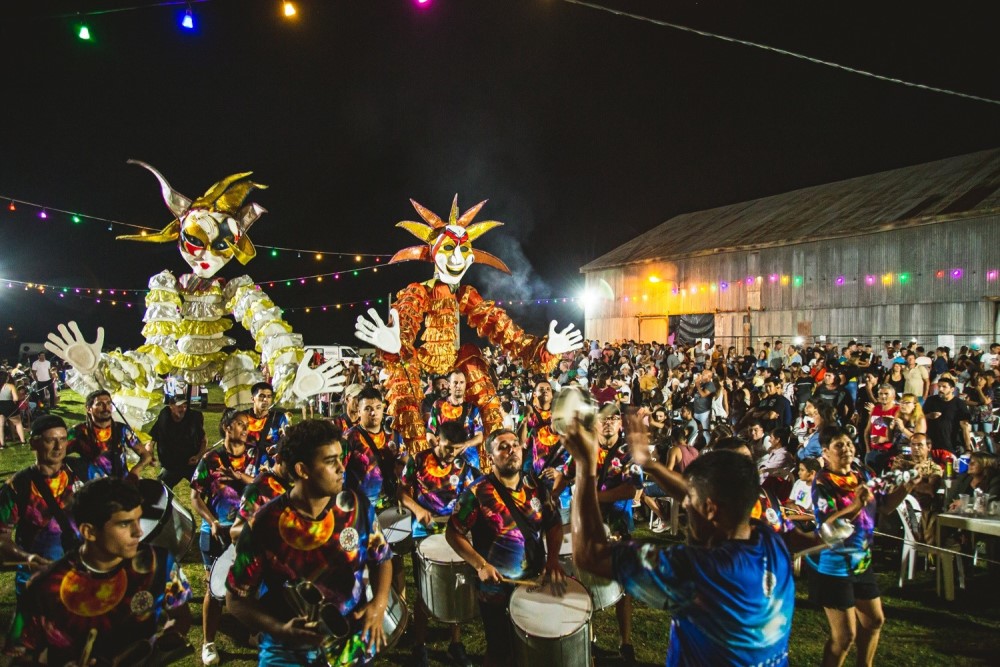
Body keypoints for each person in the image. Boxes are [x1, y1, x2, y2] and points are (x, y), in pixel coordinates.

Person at [564, 412, 795, 666]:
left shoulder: (699, 571)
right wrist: (650, 465)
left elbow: (588, 556)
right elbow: (700, 494)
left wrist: (585, 468)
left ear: (709, 509)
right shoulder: (771, 541)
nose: (684, 503)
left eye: (689, 501)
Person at [226, 419, 393, 666]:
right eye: (330, 461)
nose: (341, 468)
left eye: (340, 458)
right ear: (303, 470)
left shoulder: (356, 507)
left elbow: (382, 559)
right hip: (287, 652)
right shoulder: (265, 524)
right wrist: (280, 629)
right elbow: (236, 599)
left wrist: (378, 605)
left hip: (347, 646)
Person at [9, 477, 193, 665]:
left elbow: (181, 616)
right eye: (124, 523)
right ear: (89, 531)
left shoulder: (160, 563)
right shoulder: (42, 587)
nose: (138, 531)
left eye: (138, 519)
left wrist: (154, 648)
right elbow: (20, 655)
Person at [446, 429, 565, 667]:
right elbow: (453, 533)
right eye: (503, 446)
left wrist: (552, 559)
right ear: (490, 457)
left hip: (535, 583)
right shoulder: (477, 492)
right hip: (497, 589)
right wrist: (480, 565)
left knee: (535, 647)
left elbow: (553, 524)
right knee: (499, 651)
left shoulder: (536, 486)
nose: (512, 450)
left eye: (515, 444)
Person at [808, 425, 918, 667]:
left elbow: (885, 506)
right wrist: (855, 505)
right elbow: (827, 524)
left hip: (862, 561)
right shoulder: (823, 481)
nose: (846, 449)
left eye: (849, 444)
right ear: (825, 452)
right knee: (844, 637)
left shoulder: (861, 475)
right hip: (836, 565)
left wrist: (907, 487)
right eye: (839, 446)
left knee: (874, 621)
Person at [399, 421, 480, 667]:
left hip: (453, 533)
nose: (451, 454)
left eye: (456, 449)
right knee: (425, 590)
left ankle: (455, 644)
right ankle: (420, 645)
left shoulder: (464, 465)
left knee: (457, 587)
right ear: (436, 440)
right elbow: (401, 492)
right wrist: (418, 509)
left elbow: (471, 496)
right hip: (423, 533)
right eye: (447, 448)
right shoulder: (418, 460)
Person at [0, 414, 84, 649]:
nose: (59, 447)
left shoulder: (79, 473)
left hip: (77, 576)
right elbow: (1, 538)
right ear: (34, 443)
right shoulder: (19, 486)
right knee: (26, 649)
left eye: (62, 439)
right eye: (50, 440)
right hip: (36, 580)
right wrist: (28, 559)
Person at [190, 409, 261, 666]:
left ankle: (254, 632)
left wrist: (243, 477)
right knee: (215, 588)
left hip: (248, 532)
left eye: (247, 425)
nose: (245, 428)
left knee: (251, 584)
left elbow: (266, 483)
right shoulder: (211, 459)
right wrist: (212, 521)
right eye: (240, 424)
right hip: (218, 531)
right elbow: (195, 496)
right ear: (227, 427)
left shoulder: (256, 455)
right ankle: (208, 642)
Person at [67, 389, 152, 481]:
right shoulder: (78, 431)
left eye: (108, 403)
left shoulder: (121, 429)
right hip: (94, 487)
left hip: (121, 484)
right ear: (88, 409)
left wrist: (135, 470)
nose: (105, 407)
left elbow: (146, 455)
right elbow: (55, 455)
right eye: (99, 404)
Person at [344, 387, 403, 507]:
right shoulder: (350, 438)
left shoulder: (393, 435)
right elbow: (339, 471)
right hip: (361, 506)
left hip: (390, 504)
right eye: (368, 409)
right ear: (359, 411)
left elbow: (404, 463)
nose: (373, 413)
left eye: (378, 407)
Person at [427, 370, 485, 469]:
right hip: (444, 459)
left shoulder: (472, 409)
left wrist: (463, 445)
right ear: (449, 385)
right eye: (455, 383)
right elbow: (430, 432)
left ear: (465, 385)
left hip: (468, 460)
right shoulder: (438, 405)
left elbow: (479, 436)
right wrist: (437, 449)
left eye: (462, 382)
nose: (458, 386)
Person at [150, 394, 207, 489]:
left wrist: (198, 456)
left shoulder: (194, 418)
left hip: (191, 464)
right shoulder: (164, 419)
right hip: (172, 465)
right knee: (161, 490)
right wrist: (150, 454)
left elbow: (204, 440)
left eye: (185, 406)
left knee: (206, 487)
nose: (183, 409)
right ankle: (167, 504)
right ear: (171, 406)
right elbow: (151, 440)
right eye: (179, 406)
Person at [923, 376, 972, 453]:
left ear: (952, 389)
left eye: (944, 387)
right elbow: (921, 418)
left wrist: (968, 448)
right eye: (939, 386)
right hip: (931, 442)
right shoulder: (931, 400)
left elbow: (965, 426)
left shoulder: (959, 404)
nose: (940, 389)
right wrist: (929, 416)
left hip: (951, 443)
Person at [239, 382, 289, 454]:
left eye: (269, 396)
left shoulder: (279, 417)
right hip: (247, 460)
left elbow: (287, 439)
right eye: (261, 396)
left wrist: (276, 448)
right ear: (253, 399)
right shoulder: (243, 417)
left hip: (271, 460)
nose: (265, 399)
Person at [863, 384, 899, 472]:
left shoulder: (897, 410)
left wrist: (884, 439)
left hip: (889, 453)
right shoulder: (875, 409)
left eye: (886, 394)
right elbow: (867, 431)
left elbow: (898, 433)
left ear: (893, 396)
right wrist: (868, 450)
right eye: (880, 394)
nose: (883, 396)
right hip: (873, 451)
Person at [0, 369, 25, 447]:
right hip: (10, 405)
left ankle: (2, 444)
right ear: (6, 378)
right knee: (18, 423)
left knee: (1, 426)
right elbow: (15, 398)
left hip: (0, 406)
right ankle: (23, 441)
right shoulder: (11, 386)